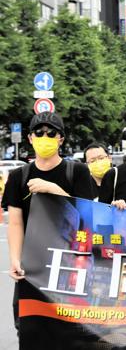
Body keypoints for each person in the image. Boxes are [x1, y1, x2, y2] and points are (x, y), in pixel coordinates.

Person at [2, 112, 93, 332]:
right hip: (32, 267)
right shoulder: (18, 177)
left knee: (69, 331)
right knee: (30, 329)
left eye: (51, 133)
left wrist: (54, 190)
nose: (45, 137)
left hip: (69, 265)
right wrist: (15, 259)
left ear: (61, 138)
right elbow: (15, 223)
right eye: (39, 133)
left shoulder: (77, 172)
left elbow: (86, 217)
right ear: (30, 138)